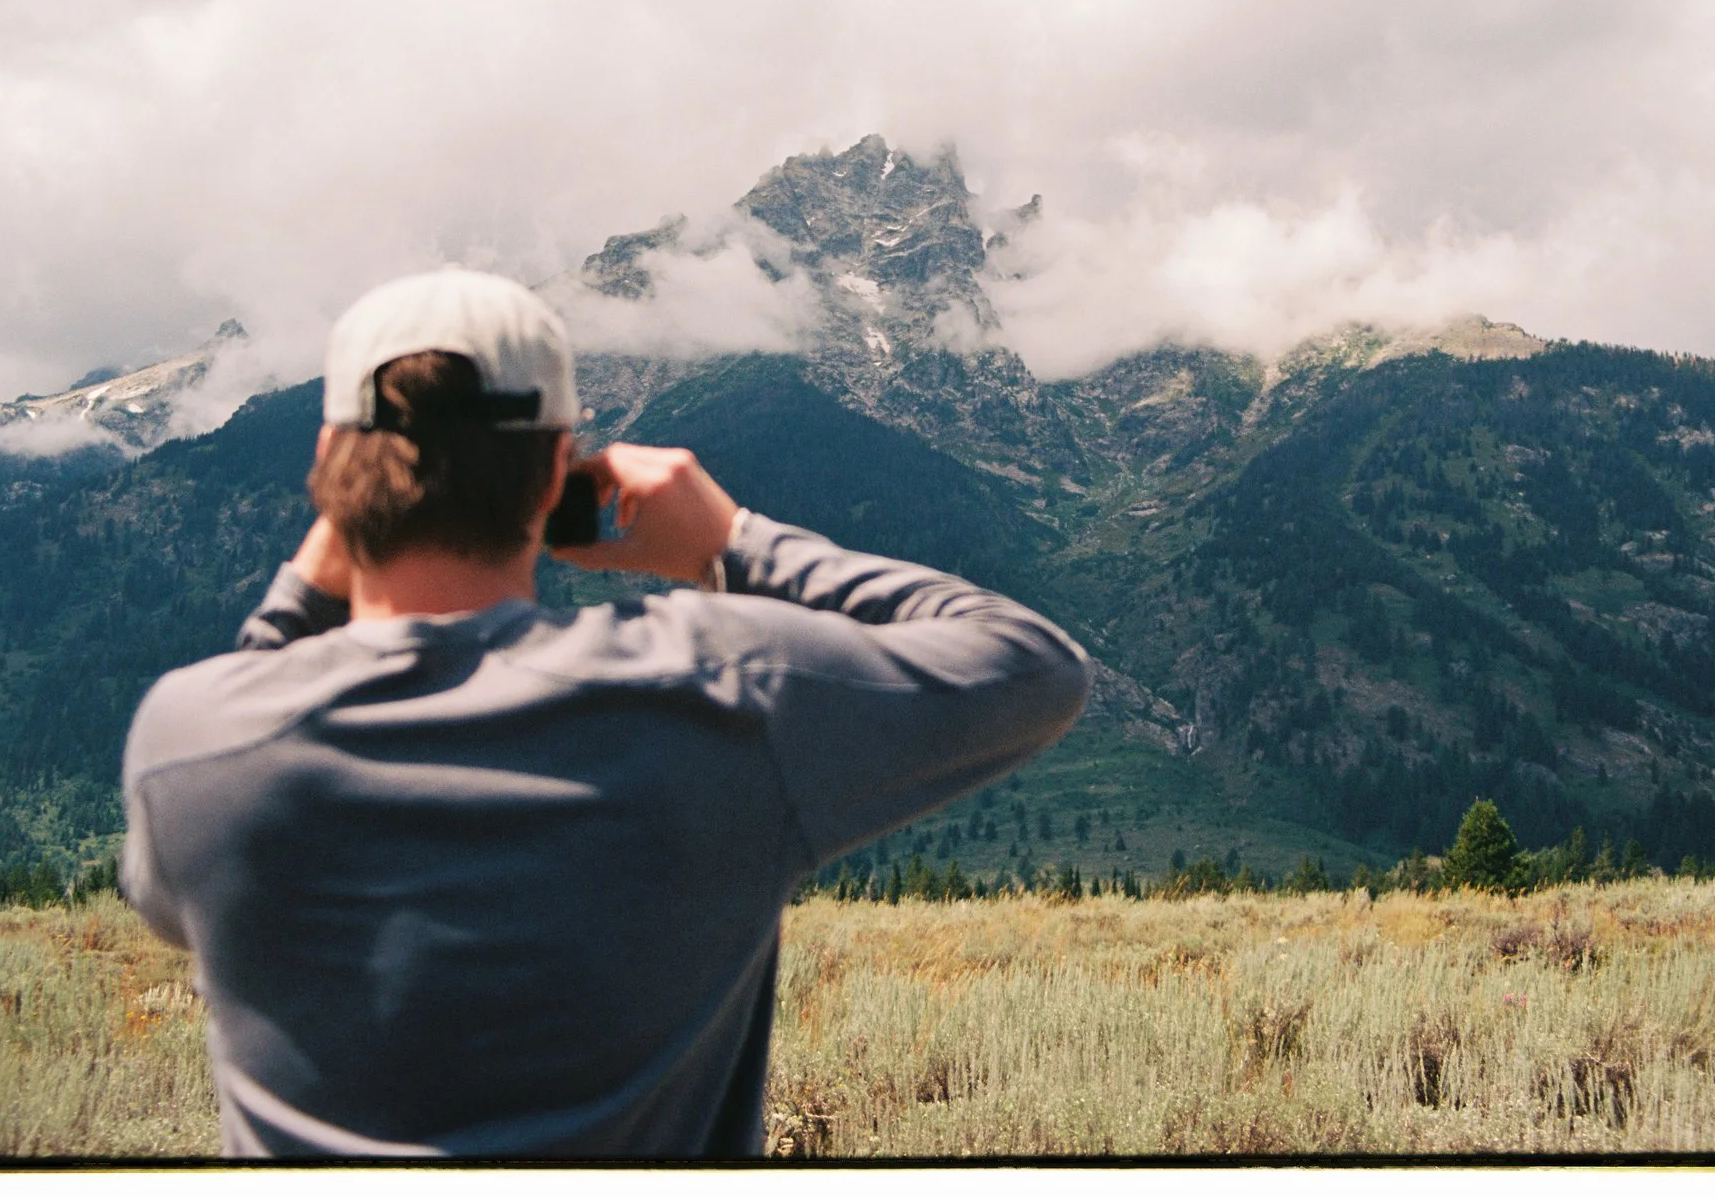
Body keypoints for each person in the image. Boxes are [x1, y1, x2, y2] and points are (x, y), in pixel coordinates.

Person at [119, 267, 1089, 1158]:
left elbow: (188, 865)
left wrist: (304, 588)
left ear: (331, 462)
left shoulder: (191, 738)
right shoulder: (717, 683)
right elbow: (1030, 663)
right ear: (555, 476)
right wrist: (734, 541)